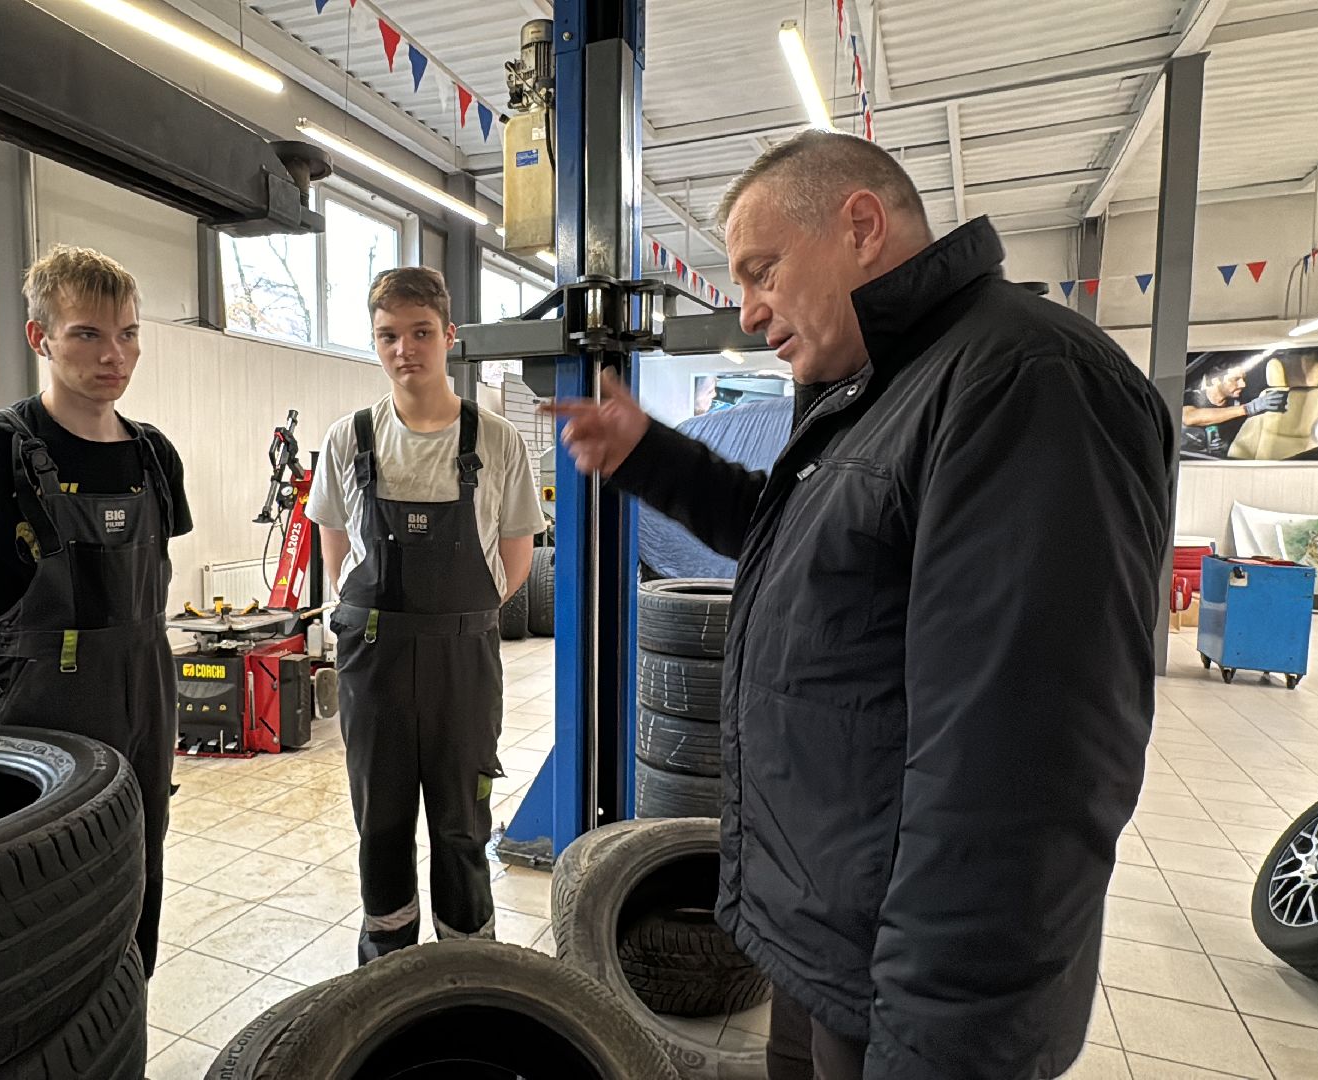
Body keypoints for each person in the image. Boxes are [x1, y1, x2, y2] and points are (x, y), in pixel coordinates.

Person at [550, 131, 1174, 1080]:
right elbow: (805, 547)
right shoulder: (881, 386)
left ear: (862, 225)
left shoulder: (1024, 383)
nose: (749, 312)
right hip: (831, 943)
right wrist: (650, 456)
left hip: (912, 991)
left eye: (762, 272)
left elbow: (1024, 762)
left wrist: (940, 1035)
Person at [0, 244, 191, 978]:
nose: (115, 355)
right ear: (41, 338)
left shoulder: (154, 456)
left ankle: (126, 1017)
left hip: (147, 703)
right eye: (88, 334)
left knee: (137, 870)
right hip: (39, 714)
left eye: (127, 333)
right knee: (40, 898)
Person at [306, 266, 544, 964]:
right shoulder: (348, 439)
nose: (404, 349)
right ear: (374, 342)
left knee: (461, 824)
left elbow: (515, 559)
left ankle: (468, 962)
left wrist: (454, 619)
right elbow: (338, 552)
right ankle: (388, 963)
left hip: (461, 663)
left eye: (419, 333)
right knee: (380, 823)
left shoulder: (496, 440)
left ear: (449, 336)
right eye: (388, 336)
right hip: (371, 664)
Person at [1182, 360, 1288, 457]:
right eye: (1236, 379)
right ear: (1215, 379)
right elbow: (1189, 417)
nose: (1243, 384)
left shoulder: (1243, 400)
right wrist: (1247, 409)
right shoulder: (1192, 397)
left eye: (1243, 379)